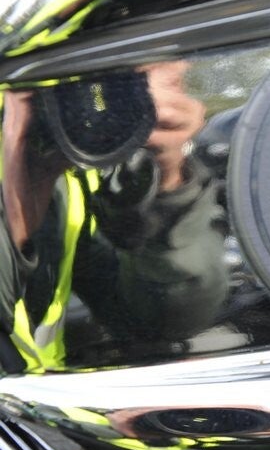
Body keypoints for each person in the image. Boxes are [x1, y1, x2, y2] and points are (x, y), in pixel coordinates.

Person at [0, 61, 228, 372]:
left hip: (42, 395)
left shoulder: (74, 178)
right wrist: (21, 183)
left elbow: (159, 320)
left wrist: (168, 178)